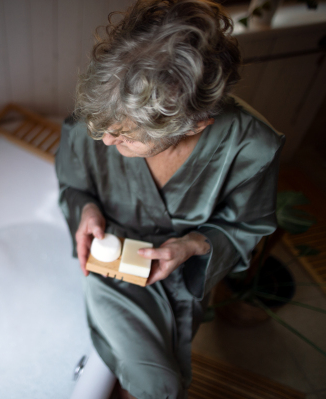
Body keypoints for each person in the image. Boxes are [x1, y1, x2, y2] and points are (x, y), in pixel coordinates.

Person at [55, 0, 285, 398]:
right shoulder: (104, 113)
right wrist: (87, 209)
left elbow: (247, 226)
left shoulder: (251, 147)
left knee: (167, 374)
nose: (107, 140)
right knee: (158, 386)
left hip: (186, 273)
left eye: (126, 138)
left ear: (196, 124)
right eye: (105, 129)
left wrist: (193, 244)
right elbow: (72, 184)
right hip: (111, 267)